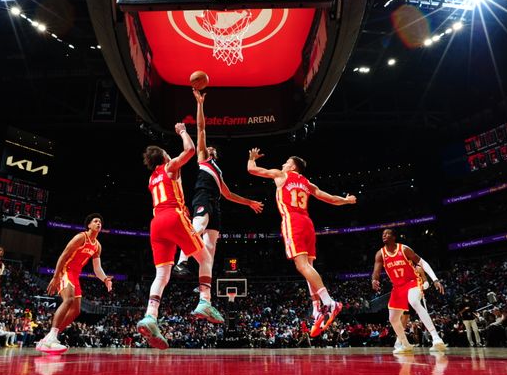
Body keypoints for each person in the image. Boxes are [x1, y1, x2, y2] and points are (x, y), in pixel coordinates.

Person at [247, 148, 356, 336]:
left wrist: (251, 158)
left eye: (286, 161)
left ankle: (329, 302)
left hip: (292, 220)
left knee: (302, 266)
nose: (283, 164)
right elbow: (329, 199)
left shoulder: (281, 174)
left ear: (292, 166)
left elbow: (252, 170)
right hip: (308, 223)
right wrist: (346, 200)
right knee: (309, 267)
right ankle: (316, 309)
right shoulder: (307, 183)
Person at [136, 123, 225, 350]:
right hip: (173, 216)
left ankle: (150, 316)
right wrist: (183, 132)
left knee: (162, 274)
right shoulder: (169, 167)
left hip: (156, 224)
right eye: (167, 154)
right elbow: (190, 151)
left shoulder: (150, 179)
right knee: (205, 259)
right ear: (164, 157)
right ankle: (205, 301)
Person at [173, 90, 264, 278]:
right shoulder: (203, 158)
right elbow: (201, 129)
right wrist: (200, 104)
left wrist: (249, 203)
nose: (208, 147)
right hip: (203, 197)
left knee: (210, 247)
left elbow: (229, 195)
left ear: (215, 153)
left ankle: (205, 295)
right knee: (197, 227)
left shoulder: (218, 171)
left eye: (211, 147)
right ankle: (181, 261)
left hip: (215, 203)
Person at [39, 213, 113, 354]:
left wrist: (105, 279)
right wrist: (55, 277)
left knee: (76, 310)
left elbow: (97, 269)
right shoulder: (81, 237)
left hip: (75, 275)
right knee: (69, 300)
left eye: (100, 222)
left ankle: (50, 338)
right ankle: (51, 337)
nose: (99, 223)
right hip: (65, 271)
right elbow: (64, 255)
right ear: (89, 225)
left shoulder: (97, 246)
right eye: (95, 221)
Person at [371, 228, 447, 354]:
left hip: (412, 281)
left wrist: (435, 279)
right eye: (383, 234)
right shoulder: (380, 254)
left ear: (394, 237)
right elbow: (376, 271)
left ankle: (436, 338)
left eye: (387, 233)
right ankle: (405, 344)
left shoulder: (404, 249)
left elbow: (422, 262)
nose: (384, 235)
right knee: (393, 318)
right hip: (397, 287)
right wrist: (374, 280)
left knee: (414, 301)